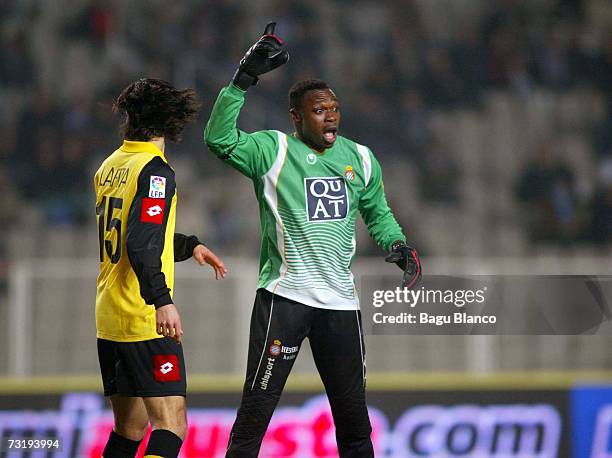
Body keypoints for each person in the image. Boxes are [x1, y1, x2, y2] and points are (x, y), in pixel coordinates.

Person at [204, 23, 421, 457]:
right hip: (285, 299)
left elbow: (377, 211)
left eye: (335, 108)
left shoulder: (360, 157)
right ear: (296, 117)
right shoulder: (273, 151)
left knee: (354, 422)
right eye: (320, 110)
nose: (332, 116)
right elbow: (218, 139)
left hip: (340, 305)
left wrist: (397, 245)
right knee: (256, 413)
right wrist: (241, 82)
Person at [95, 78, 227, 458]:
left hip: (110, 315)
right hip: (142, 315)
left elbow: (134, 236)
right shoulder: (155, 171)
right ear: (170, 121)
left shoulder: (110, 165)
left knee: (130, 429)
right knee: (171, 424)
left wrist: (189, 245)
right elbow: (140, 243)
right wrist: (162, 300)